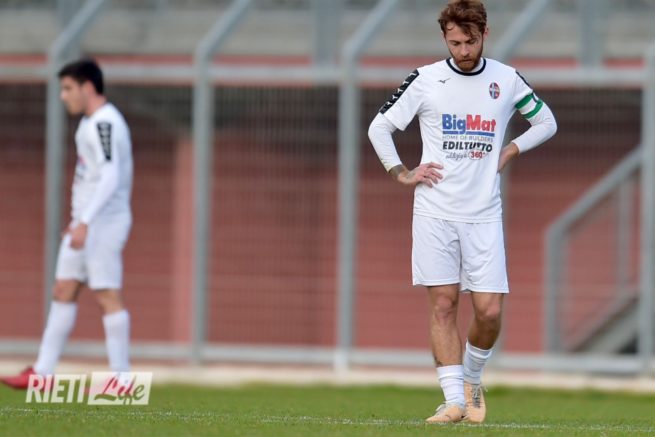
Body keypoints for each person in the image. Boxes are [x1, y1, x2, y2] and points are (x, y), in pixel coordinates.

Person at [368, 0, 557, 424]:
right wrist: (402, 172)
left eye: (470, 42)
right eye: (455, 43)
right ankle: (454, 401)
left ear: (484, 34)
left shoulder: (506, 79)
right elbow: (379, 127)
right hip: (434, 211)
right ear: (445, 39)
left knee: (489, 311)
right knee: (443, 305)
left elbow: (546, 122)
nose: (463, 51)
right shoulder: (425, 78)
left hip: (484, 213)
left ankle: (471, 379)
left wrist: (510, 149)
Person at [1, 59, 134, 389]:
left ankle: (122, 379)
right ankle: (42, 373)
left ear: (87, 87)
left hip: (104, 223)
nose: (63, 96)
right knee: (63, 289)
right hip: (84, 223)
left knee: (106, 294)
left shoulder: (105, 123)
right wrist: (79, 221)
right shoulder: (88, 124)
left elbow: (110, 175)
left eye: (68, 88)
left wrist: (85, 221)